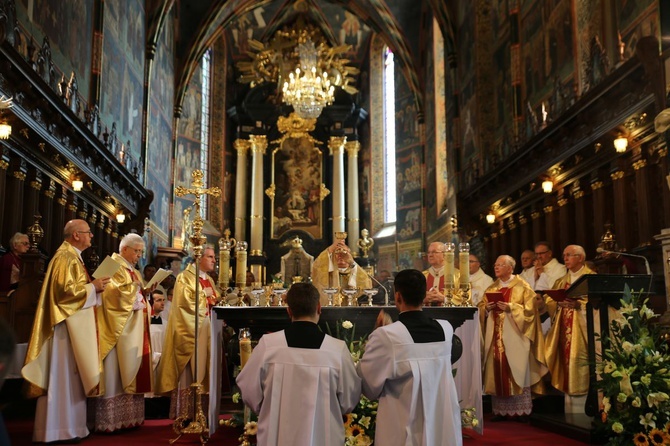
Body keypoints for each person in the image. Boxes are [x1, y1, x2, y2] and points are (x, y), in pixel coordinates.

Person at [236, 283, 361, 445]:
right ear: (319, 308)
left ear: (289, 310)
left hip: (277, 436)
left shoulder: (269, 345)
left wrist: (268, 408)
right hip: (322, 438)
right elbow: (349, 400)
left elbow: (248, 389)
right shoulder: (336, 350)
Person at [22, 219, 110, 443]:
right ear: (76, 235)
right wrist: (94, 287)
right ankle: (58, 430)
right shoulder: (65, 257)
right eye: (88, 233)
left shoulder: (73, 257)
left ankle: (71, 428)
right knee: (63, 377)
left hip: (73, 326)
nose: (91, 236)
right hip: (64, 329)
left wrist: (94, 288)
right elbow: (64, 293)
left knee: (70, 379)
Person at [357, 269, 462, 445]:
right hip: (441, 424)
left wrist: (376, 335)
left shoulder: (387, 336)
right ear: (424, 296)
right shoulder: (446, 329)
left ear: (397, 297)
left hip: (403, 425)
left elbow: (368, 385)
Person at [89, 233, 153, 432]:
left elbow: (135, 293)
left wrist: (146, 292)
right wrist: (134, 292)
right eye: (136, 251)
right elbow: (107, 294)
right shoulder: (111, 264)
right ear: (124, 249)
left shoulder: (133, 271)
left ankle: (129, 418)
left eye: (141, 252)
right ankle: (110, 421)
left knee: (130, 368)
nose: (139, 256)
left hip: (133, 328)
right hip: (116, 330)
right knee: (114, 370)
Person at [479, 255, 547, 422]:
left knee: (516, 367)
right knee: (497, 366)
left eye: (500, 265)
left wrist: (511, 308)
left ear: (510, 268)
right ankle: (500, 410)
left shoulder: (523, 286)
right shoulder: (492, 288)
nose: (496, 267)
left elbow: (531, 312)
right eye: (495, 264)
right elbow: (481, 306)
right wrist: (486, 309)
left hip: (516, 337)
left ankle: (520, 411)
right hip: (495, 336)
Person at [156, 246, 218, 418]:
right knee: (190, 370)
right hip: (192, 331)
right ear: (199, 258)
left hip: (208, 328)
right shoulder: (185, 277)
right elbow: (184, 304)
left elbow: (215, 299)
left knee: (204, 368)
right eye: (210, 257)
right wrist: (204, 296)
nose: (214, 260)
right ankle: (186, 413)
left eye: (214, 257)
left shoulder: (209, 279)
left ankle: (201, 412)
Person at [543, 245, 595, 413]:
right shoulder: (562, 280)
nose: (565, 258)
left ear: (580, 258)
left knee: (580, 363)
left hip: (583, 331)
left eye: (569, 255)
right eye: (564, 255)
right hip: (565, 328)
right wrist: (557, 302)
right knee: (567, 364)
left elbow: (600, 304)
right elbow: (550, 302)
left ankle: (586, 410)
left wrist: (579, 304)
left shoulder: (592, 278)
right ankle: (571, 411)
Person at [311, 239, 370, 306]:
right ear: (332, 256)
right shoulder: (327, 272)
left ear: (350, 256)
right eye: (337, 252)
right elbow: (316, 267)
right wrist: (331, 248)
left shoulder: (354, 271)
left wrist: (352, 262)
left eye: (344, 253)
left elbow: (366, 284)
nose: (340, 256)